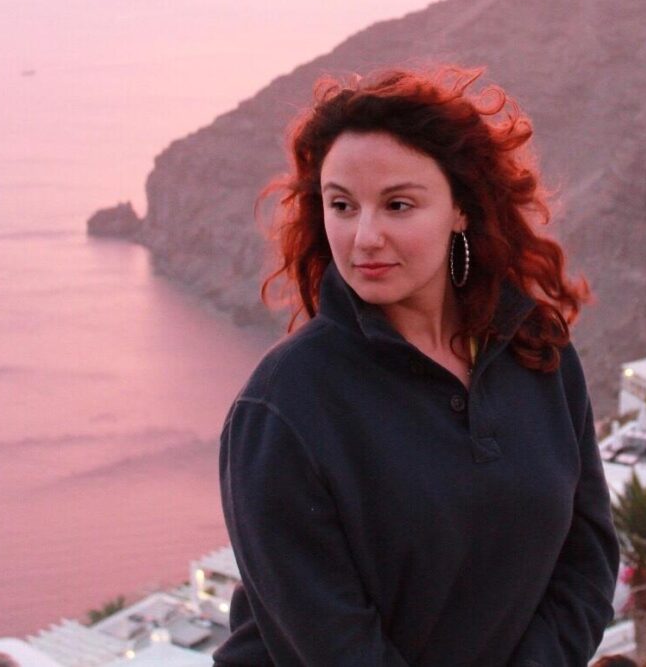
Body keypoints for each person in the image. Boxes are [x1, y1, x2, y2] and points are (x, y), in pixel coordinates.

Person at [214, 67, 620, 666]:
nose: (365, 236)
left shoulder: (535, 349)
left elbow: (586, 558)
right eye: (342, 206)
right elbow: (334, 645)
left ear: (461, 208)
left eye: (398, 205)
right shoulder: (282, 408)